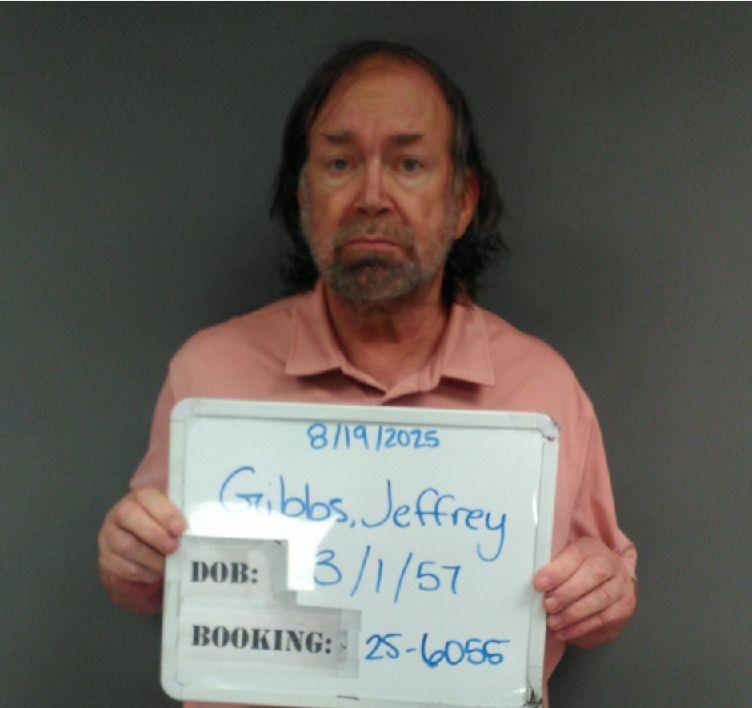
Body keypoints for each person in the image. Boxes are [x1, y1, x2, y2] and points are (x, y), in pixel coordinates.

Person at [98, 40, 637, 706]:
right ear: (304, 197)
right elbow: (150, 585)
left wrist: (604, 593)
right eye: (339, 163)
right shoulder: (208, 373)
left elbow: (603, 600)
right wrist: (129, 558)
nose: (371, 196)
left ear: (463, 200)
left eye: (409, 163)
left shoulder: (544, 386)